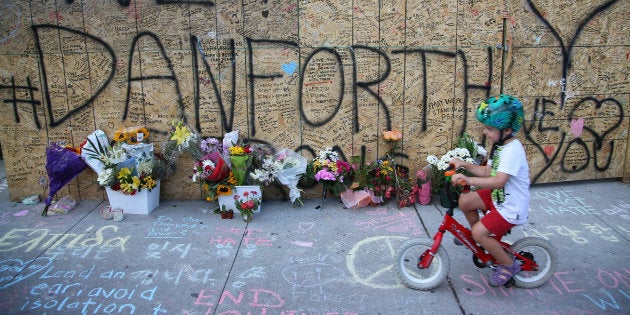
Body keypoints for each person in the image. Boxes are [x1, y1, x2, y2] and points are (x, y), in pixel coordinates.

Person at [449, 94, 530, 287]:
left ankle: (508, 265)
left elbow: (499, 181)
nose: (485, 132)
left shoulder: (513, 151)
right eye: (485, 127)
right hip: (499, 198)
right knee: (465, 201)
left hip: (511, 207)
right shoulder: (500, 145)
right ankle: (480, 237)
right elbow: (487, 171)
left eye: (490, 129)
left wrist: (467, 179)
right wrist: (464, 165)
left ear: (508, 130)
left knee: (478, 233)